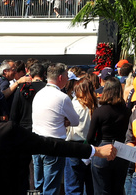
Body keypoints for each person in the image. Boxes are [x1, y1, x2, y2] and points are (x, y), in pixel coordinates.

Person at [32, 63, 81, 195]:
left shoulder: (39, 94)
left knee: (39, 186)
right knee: (51, 188)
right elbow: (76, 121)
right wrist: (64, 121)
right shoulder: (62, 97)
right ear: (60, 77)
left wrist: (62, 121)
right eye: (66, 76)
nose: (67, 79)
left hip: (36, 142)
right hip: (53, 145)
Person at [86, 75, 130, 195]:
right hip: (122, 151)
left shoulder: (99, 111)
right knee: (118, 190)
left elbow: (89, 137)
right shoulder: (126, 111)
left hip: (102, 150)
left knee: (101, 190)